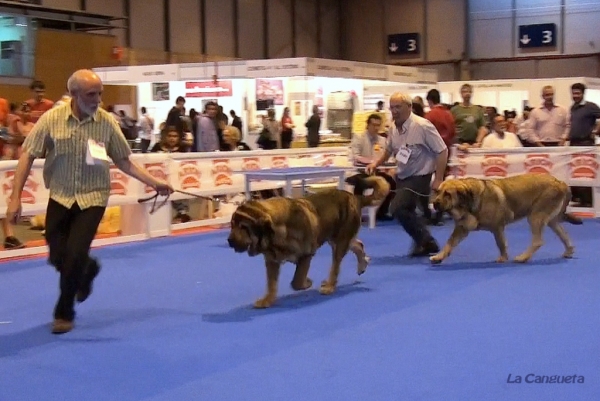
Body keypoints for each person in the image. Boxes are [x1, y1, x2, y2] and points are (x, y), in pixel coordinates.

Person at [5, 69, 173, 335]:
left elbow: (124, 160)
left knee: (74, 254)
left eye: (99, 94)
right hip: (60, 195)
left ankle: (64, 311)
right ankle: (88, 268)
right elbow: (27, 155)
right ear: (73, 94)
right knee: (58, 255)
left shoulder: (106, 122)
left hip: (93, 197)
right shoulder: (52, 119)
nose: (97, 99)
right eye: (91, 94)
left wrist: (155, 182)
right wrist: (15, 198)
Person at [367, 92, 448, 257]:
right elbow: (389, 150)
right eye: (392, 107)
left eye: (398, 107)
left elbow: (442, 151)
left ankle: (427, 241)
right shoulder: (393, 128)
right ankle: (422, 242)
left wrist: (438, 179)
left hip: (420, 176)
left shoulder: (423, 126)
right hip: (402, 176)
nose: (394, 111)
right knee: (408, 211)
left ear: (409, 107)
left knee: (397, 208)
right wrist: (376, 163)